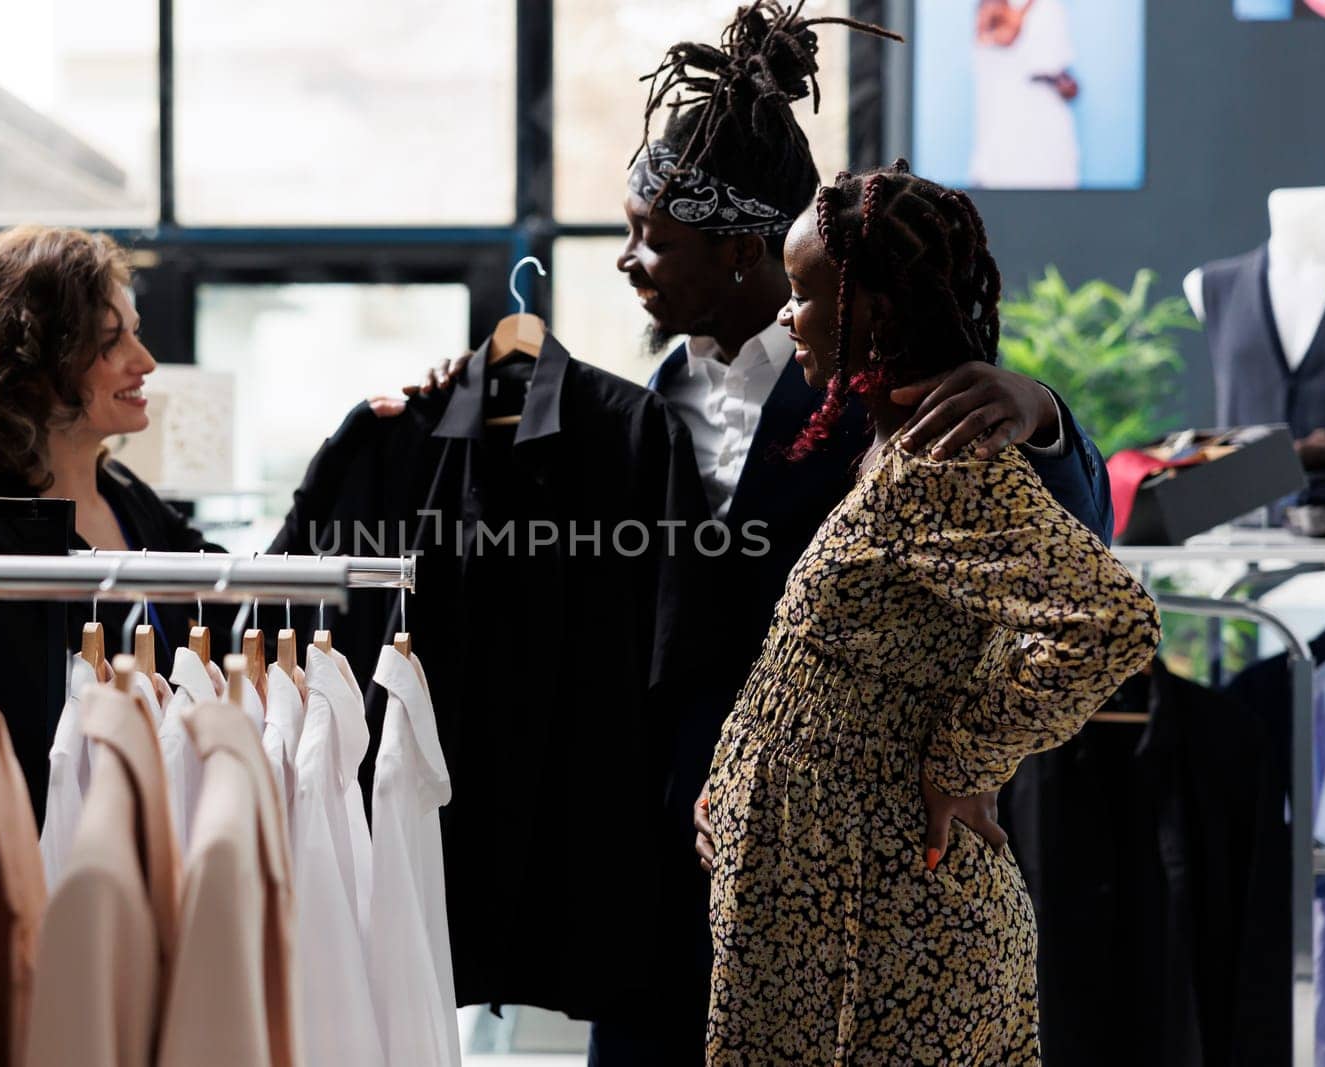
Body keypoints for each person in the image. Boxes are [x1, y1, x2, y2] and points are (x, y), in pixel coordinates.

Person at [381, 6, 1115, 1064]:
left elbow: (1071, 560)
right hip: (660, 847)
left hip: (857, 840)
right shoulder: (646, 404)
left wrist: (1038, 408)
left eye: (655, 240)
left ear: (740, 250)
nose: (630, 261)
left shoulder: (888, 397)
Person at [699, 160, 1159, 1063]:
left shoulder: (944, 462)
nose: (786, 314)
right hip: (825, 921)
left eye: (803, 292)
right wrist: (733, 773)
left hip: (888, 929)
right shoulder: (893, 446)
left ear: (872, 306)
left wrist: (966, 758)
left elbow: (1112, 621)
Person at [0, 225, 227, 807]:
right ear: (40, 365)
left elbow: (239, 593)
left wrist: (354, 448)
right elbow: (26, 774)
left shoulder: (120, 490)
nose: (144, 361)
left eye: (135, 334)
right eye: (111, 343)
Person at [969, 0, 1080, 189]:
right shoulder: (991, 8)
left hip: (1049, 113)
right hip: (1010, 115)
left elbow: (1058, 64)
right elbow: (1005, 36)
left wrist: (1064, 83)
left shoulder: (1052, 7)